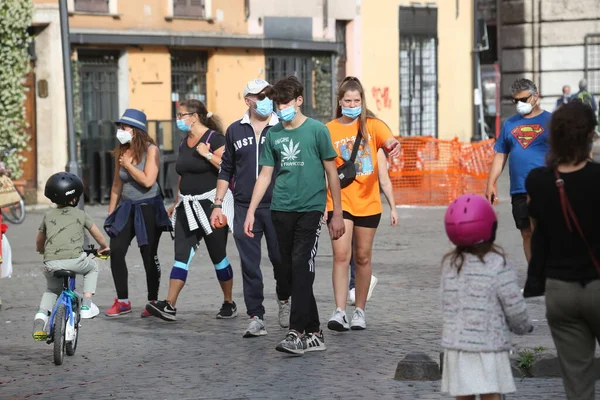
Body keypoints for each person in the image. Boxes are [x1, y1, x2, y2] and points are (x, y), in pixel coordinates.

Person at [243, 75, 345, 355]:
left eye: (285, 103)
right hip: (280, 209)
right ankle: (314, 332)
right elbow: (265, 175)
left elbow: (331, 172)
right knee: (289, 273)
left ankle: (296, 332)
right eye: (277, 104)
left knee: (302, 266)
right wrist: (251, 211)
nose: (279, 108)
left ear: (299, 101)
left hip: (310, 210)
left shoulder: (317, 130)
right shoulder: (273, 134)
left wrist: (337, 211)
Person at [526, 102, 600, 400]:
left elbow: (535, 233)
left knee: (577, 383)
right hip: (598, 283)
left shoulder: (538, 181)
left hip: (560, 290)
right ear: (590, 136)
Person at [210, 78, 291, 338]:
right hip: (244, 206)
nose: (266, 99)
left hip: (278, 205)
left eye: (268, 94)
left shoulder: (282, 127)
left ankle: (284, 297)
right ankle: (256, 315)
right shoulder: (235, 130)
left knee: (281, 260)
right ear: (248, 101)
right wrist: (218, 204)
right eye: (260, 95)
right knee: (250, 264)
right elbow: (226, 169)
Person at [147, 99, 236, 321]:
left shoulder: (215, 139)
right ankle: (169, 304)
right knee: (181, 256)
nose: (178, 120)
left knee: (218, 257)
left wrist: (207, 154)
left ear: (194, 116)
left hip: (211, 205)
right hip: (187, 205)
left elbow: (228, 167)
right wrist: (177, 202)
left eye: (181, 115)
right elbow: (183, 174)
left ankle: (228, 301)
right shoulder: (183, 141)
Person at [325, 76, 400, 332]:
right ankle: (339, 311)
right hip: (340, 202)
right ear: (340, 101)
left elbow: (389, 142)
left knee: (363, 257)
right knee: (341, 256)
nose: (352, 104)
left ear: (362, 101)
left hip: (369, 204)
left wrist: (394, 145)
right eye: (348, 100)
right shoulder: (329, 129)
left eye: (357, 100)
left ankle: (359, 311)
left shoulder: (373, 126)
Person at [441, 194, 532, 400]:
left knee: (463, 395)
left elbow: (447, 304)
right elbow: (514, 306)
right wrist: (523, 327)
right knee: (491, 394)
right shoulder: (498, 264)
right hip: (489, 346)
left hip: (457, 347)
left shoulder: (450, 266)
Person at [104, 108, 171, 318]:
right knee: (116, 250)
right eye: (120, 127)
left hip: (148, 207)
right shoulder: (121, 152)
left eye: (124, 127)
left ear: (136, 130)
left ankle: (152, 301)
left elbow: (147, 180)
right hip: (126, 207)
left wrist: (128, 166)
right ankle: (123, 301)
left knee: (148, 254)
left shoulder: (152, 150)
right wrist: (111, 214)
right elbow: (116, 185)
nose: (121, 131)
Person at [33, 172, 110, 340]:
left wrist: (42, 251)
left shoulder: (48, 216)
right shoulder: (80, 214)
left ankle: (40, 318)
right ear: (75, 198)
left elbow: (40, 241)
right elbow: (97, 234)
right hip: (75, 260)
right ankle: (86, 306)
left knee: (52, 289)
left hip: (51, 262)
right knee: (92, 269)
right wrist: (104, 247)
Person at [485, 78, 550, 263]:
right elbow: (500, 155)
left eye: (523, 99)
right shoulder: (509, 124)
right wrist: (490, 183)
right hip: (519, 188)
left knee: (542, 232)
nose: (519, 104)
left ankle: (548, 272)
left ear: (535, 97)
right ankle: (534, 277)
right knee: (526, 233)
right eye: (516, 101)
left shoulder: (551, 121)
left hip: (543, 187)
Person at [347, 148, 398, 305]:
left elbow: (384, 180)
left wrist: (393, 208)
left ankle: (357, 284)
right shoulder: (340, 140)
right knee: (345, 249)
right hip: (345, 204)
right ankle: (355, 285)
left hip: (367, 206)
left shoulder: (376, 150)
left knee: (360, 250)